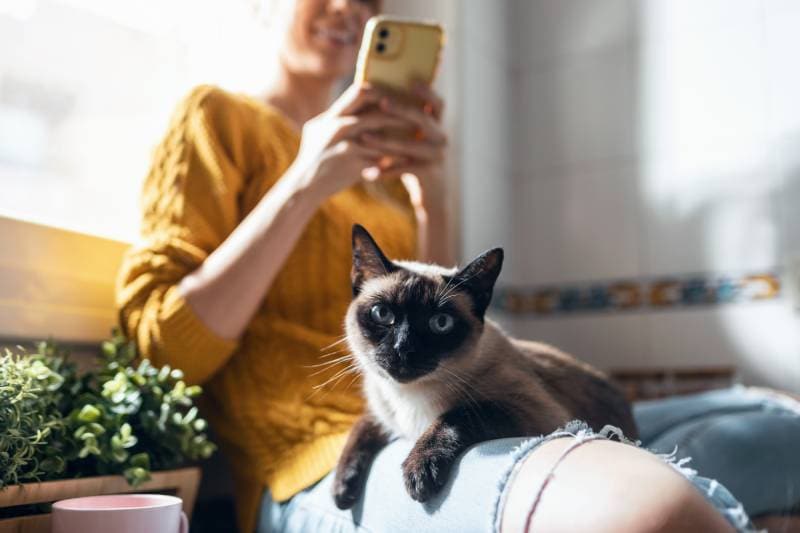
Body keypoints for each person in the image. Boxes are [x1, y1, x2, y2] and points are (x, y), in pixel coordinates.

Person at [116, 1, 798, 531]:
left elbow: (448, 313)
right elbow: (167, 347)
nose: (350, 11)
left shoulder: (378, 173)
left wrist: (430, 191)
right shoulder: (218, 117)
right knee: (652, 508)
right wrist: (305, 181)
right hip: (318, 462)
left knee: (780, 425)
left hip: (455, 400)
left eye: (367, 2)